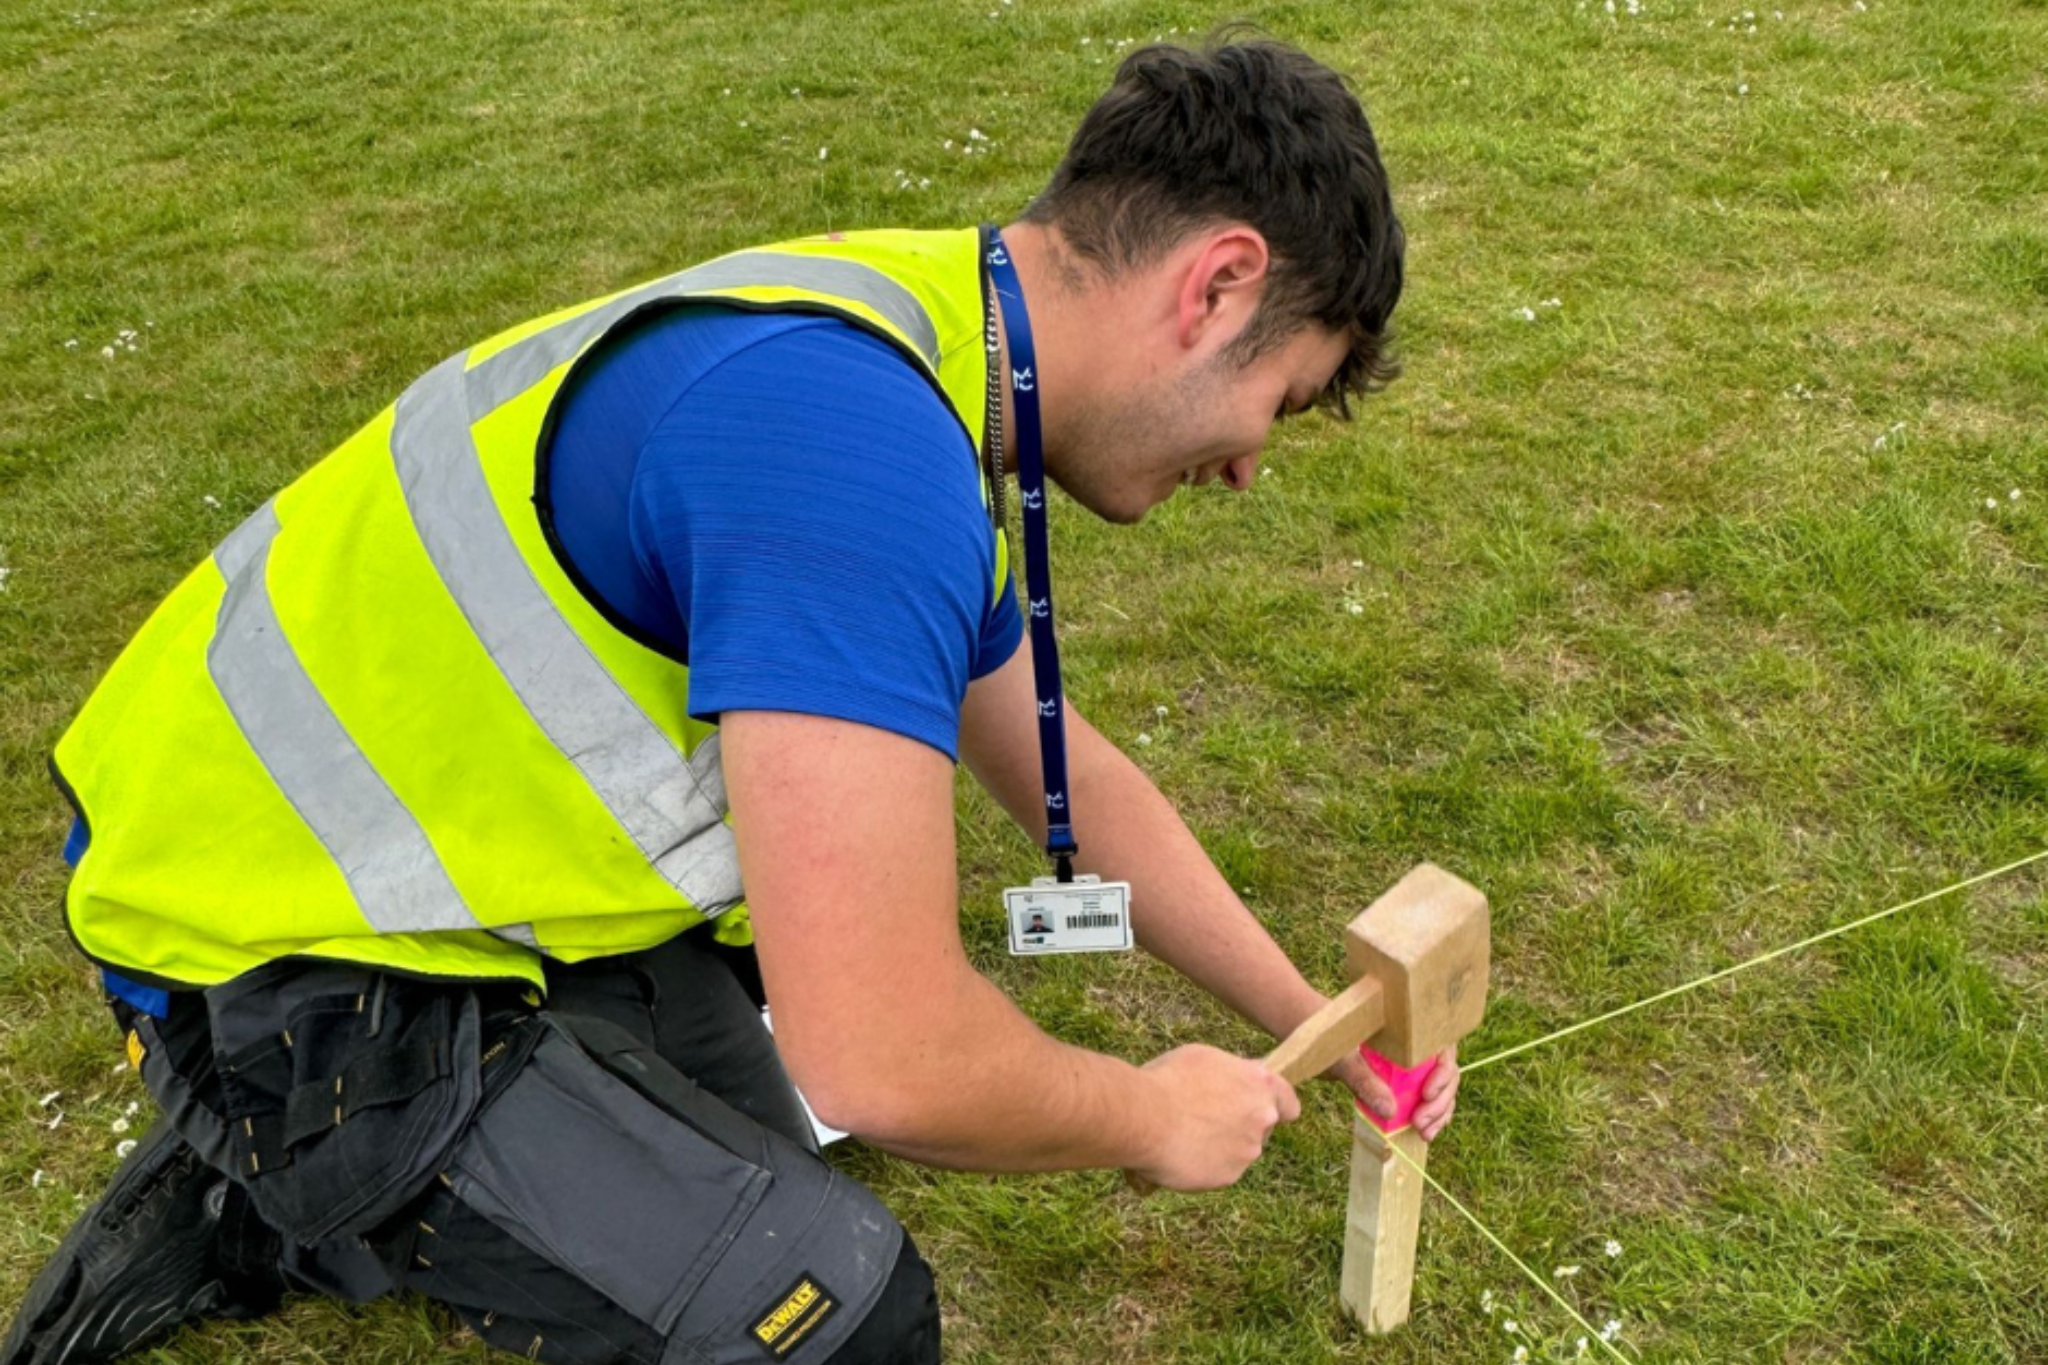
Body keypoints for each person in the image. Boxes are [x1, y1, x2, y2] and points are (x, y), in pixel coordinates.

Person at [4, 34, 1458, 1365]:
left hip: (369, 863)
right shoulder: (856, 458)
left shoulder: (927, 328)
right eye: (1282, 398)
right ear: (1216, 285)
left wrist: (1322, 1022)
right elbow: (883, 1054)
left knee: (754, 1165)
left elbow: (1057, 757)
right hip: (256, 951)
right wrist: (1149, 1114)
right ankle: (277, 1167)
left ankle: (324, 1182)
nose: (1254, 466)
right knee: (829, 1315)